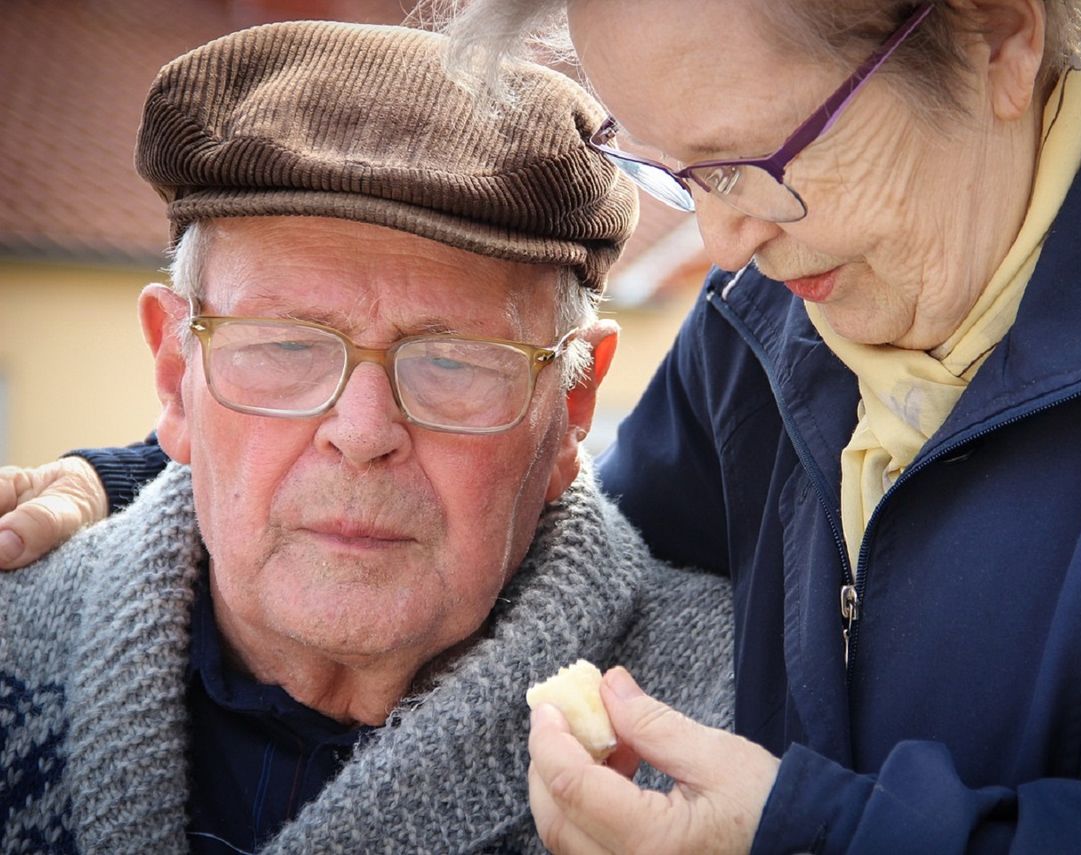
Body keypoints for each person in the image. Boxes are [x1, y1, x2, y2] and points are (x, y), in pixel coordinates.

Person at [5, 0, 1081, 850]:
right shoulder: (769, 328)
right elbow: (539, 498)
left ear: (1000, 36)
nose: (727, 252)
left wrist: (819, 834)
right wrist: (145, 477)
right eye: (684, 177)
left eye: (760, 162)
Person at [0, 20, 741, 854]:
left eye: (455, 362)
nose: (362, 433)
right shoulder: (11, 637)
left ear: (573, 406)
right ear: (176, 375)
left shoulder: (730, 729)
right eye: (285, 344)